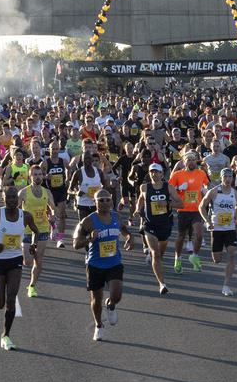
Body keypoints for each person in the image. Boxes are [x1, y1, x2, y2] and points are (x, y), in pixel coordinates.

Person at [0, 187, 41, 351]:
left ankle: (6, 336)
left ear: (18, 200)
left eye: (14, 197)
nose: (12, 200)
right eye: (9, 197)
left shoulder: (25, 216)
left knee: (11, 299)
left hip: (15, 260)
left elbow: (36, 231)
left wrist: (33, 245)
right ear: (3, 198)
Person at [73, 189, 134, 341]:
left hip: (114, 262)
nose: (105, 202)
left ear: (112, 201)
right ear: (95, 203)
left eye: (107, 199)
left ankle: (111, 305)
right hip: (95, 264)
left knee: (117, 294)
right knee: (96, 299)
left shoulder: (116, 217)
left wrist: (129, 238)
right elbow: (75, 244)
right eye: (101, 200)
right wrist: (89, 240)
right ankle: (98, 325)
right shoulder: (88, 221)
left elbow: (124, 230)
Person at [136, 163, 182, 294]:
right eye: (151, 172)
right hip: (149, 224)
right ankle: (162, 284)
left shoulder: (169, 188)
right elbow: (141, 199)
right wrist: (138, 210)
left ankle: (156, 264)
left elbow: (181, 204)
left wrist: (167, 203)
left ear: (162, 174)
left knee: (159, 255)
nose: (153, 174)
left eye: (156, 172)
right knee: (155, 254)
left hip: (165, 224)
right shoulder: (144, 187)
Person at [199, 168, 237, 296]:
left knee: (232, 253)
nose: (228, 179)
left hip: (230, 229)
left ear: (233, 179)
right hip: (216, 228)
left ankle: (226, 285)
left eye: (230, 177)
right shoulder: (214, 192)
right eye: (226, 177)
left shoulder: (236, 194)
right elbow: (201, 206)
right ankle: (219, 250)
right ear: (221, 178)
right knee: (217, 259)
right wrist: (207, 221)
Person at [168, 152, 210, 273]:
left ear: (196, 161)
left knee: (199, 234)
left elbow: (207, 185)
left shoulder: (201, 173)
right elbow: (168, 189)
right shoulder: (177, 175)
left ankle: (194, 256)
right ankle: (178, 258)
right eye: (188, 159)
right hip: (183, 210)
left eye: (193, 159)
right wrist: (179, 188)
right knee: (181, 236)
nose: (191, 162)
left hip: (197, 210)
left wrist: (206, 189)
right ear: (183, 161)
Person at [19, 165, 55, 298]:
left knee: (38, 260)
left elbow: (52, 207)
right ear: (30, 176)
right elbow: (15, 209)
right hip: (27, 229)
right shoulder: (23, 192)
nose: (38, 176)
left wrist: (52, 215)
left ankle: (32, 286)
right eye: (35, 174)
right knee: (28, 261)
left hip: (42, 229)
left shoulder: (47, 192)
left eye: (40, 174)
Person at [43, 137, 69, 248]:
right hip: (50, 191)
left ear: (59, 149)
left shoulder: (63, 161)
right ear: (49, 150)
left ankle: (60, 239)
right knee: (51, 214)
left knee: (62, 215)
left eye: (56, 148)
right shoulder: (45, 162)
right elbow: (37, 174)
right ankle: (53, 227)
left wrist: (68, 178)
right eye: (52, 148)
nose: (54, 150)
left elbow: (69, 169)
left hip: (61, 190)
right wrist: (45, 176)